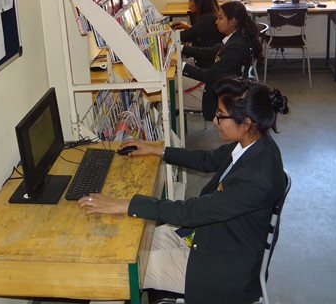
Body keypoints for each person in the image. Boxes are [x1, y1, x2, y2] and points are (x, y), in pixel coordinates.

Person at [78, 77, 288, 304]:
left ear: (245, 123)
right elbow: (207, 159)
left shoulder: (258, 179)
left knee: (120, 272)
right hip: (208, 236)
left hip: (222, 267)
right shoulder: (254, 144)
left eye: (220, 115)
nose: (214, 120)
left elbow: (191, 212)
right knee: (122, 247)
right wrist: (158, 150)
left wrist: (126, 204)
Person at [178, 0, 262, 121]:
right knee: (173, 84)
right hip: (217, 86)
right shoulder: (234, 38)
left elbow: (209, 75)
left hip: (215, 96)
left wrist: (180, 65)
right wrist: (180, 48)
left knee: (170, 91)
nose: (216, 21)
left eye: (220, 18)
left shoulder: (236, 46)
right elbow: (208, 52)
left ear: (232, 21)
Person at [170, 0, 223, 68]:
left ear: (199, 3)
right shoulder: (212, 14)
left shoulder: (207, 19)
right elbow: (199, 31)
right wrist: (189, 27)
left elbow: (184, 36)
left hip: (206, 65)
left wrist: (166, 34)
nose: (188, 3)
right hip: (207, 60)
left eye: (190, 1)